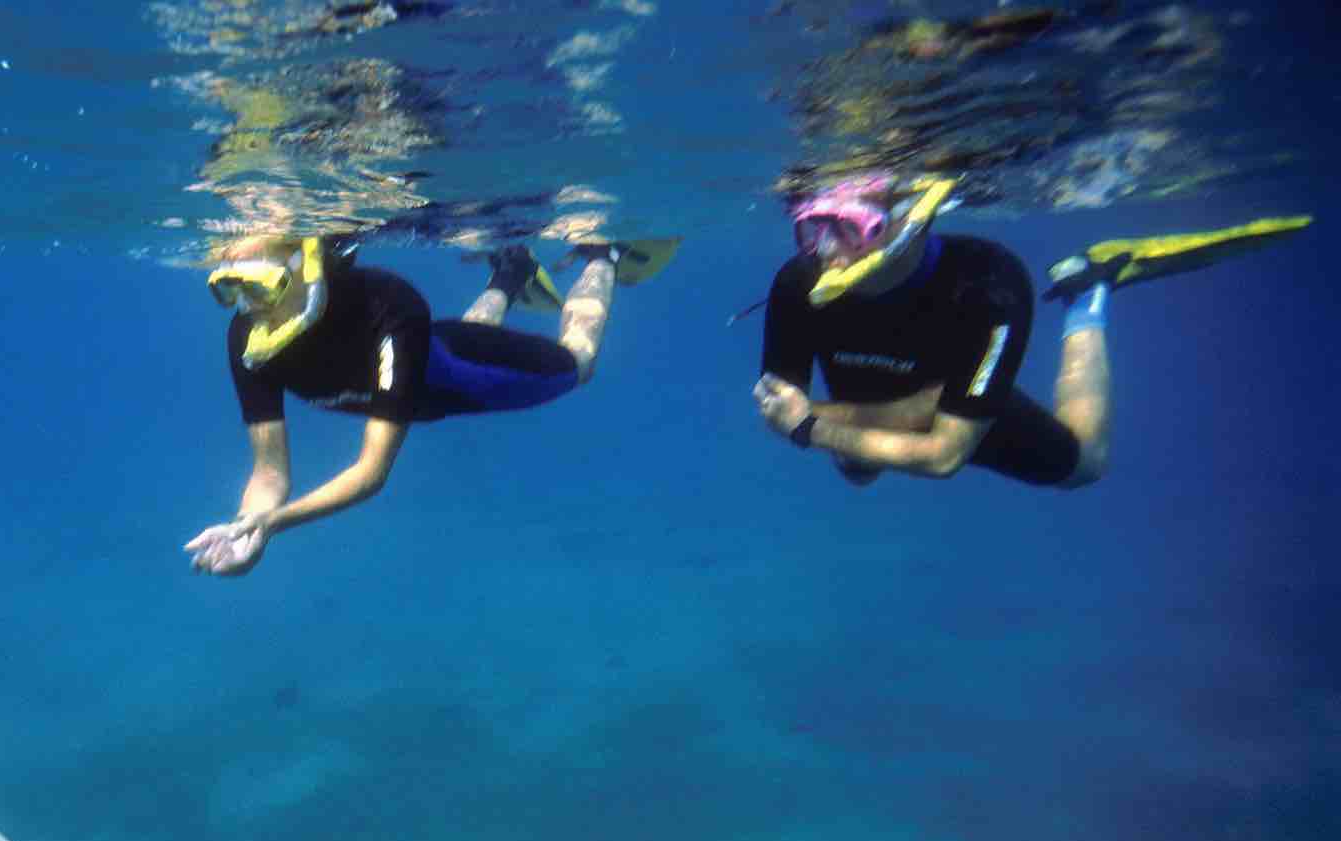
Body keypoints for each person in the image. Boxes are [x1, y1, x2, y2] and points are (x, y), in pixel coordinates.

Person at [752, 172, 1310, 489]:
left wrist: (811, 428)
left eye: (847, 228)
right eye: (810, 228)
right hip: (898, 401)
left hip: (961, 401)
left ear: (911, 219)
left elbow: (945, 455)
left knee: (1084, 464)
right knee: (858, 469)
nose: (826, 253)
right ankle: (915, 409)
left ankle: (1089, 291)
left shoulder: (987, 282)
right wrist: (825, 423)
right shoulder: (797, 284)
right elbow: (778, 406)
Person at [186, 232, 676, 575]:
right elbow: (270, 473)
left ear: (302, 263)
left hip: (462, 376)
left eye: (257, 283)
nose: (247, 305)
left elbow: (371, 472)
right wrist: (246, 525)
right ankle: (512, 275)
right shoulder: (248, 340)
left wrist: (275, 523)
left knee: (579, 363)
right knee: (469, 335)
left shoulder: (387, 303)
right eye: (229, 288)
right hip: (423, 362)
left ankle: (601, 253)